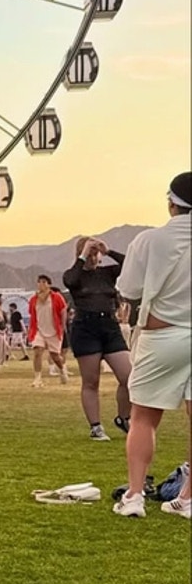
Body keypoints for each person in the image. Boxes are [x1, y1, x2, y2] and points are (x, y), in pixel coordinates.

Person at [113, 174, 191, 519]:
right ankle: (187, 498)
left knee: (143, 416)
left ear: (171, 202)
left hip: (163, 335)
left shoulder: (149, 240)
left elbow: (128, 288)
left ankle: (134, 495)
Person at [62, 237, 132, 441]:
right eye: (90, 253)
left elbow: (131, 263)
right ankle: (96, 426)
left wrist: (108, 251)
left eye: (96, 253)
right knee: (91, 381)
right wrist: (83, 256)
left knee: (128, 377)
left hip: (110, 327)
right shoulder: (75, 274)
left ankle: (123, 417)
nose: (94, 257)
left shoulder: (107, 273)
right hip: (86, 328)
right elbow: (70, 281)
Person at [27, 276, 68, 388]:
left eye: (44, 282)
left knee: (55, 356)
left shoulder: (56, 297)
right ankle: (37, 378)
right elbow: (32, 314)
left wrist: (63, 325)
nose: (41, 284)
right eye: (39, 282)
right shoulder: (33, 299)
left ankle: (62, 369)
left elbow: (63, 310)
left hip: (54, 330)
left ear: (49, 284)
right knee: (37, 352)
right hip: (39, 330)